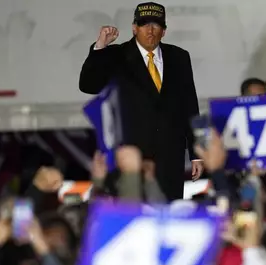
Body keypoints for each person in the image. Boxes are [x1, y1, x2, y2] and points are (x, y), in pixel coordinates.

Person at [78, 2, 204, 201]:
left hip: (169, 155)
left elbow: (189, 105)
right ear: (134, 27)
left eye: (156, 25)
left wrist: (196, 152)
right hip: (132, 158)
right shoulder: (116, 55)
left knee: (168, 214)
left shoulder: (179, 57)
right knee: (133, 213)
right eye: (145, 24)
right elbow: (88, 85)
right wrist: (100, 47)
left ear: (164, 31)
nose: (150, 30)